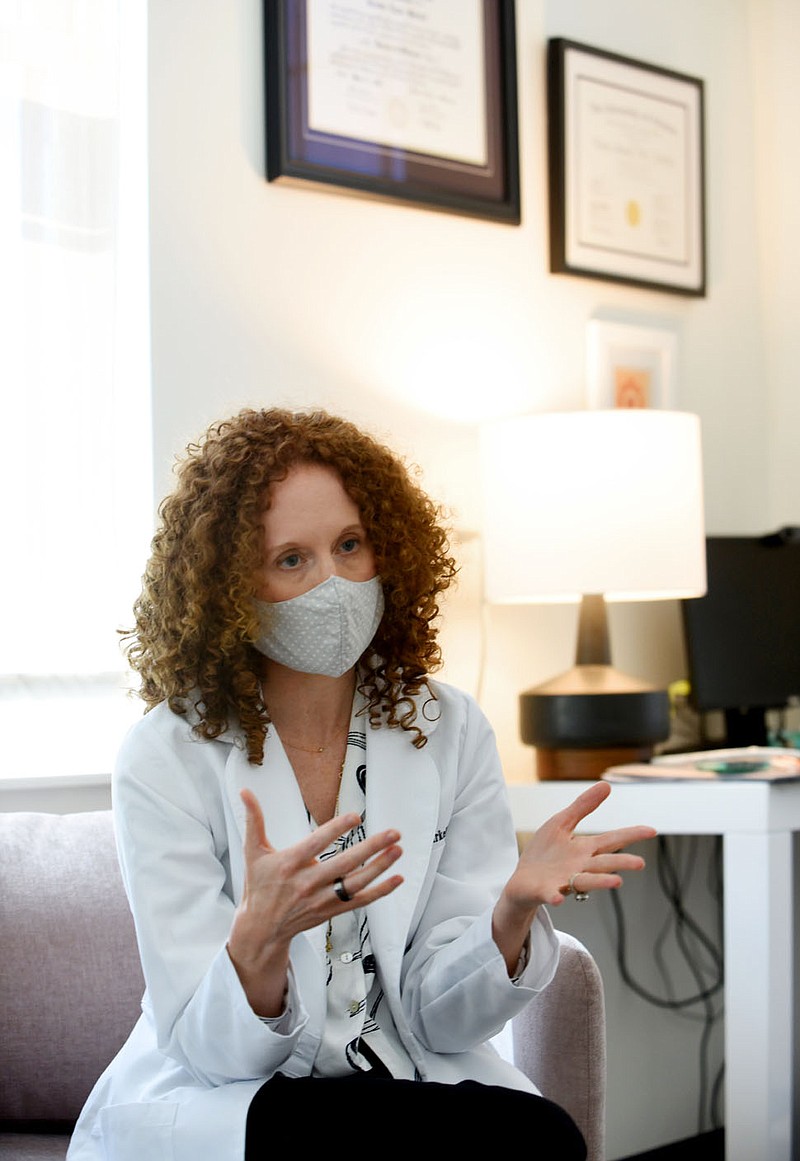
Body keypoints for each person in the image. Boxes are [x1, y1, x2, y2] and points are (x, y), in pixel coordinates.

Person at [67, 408, 655, 1161]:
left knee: (545, 1136)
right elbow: (213, 1052)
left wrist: (506, 913)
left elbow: (441, 1020)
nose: (335, 583)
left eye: (350, 545)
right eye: (291, 559)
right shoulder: (165, 755)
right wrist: (259, 942)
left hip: (403, 1082)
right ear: (227, 587)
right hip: (239, 1099)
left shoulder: (446, 726)